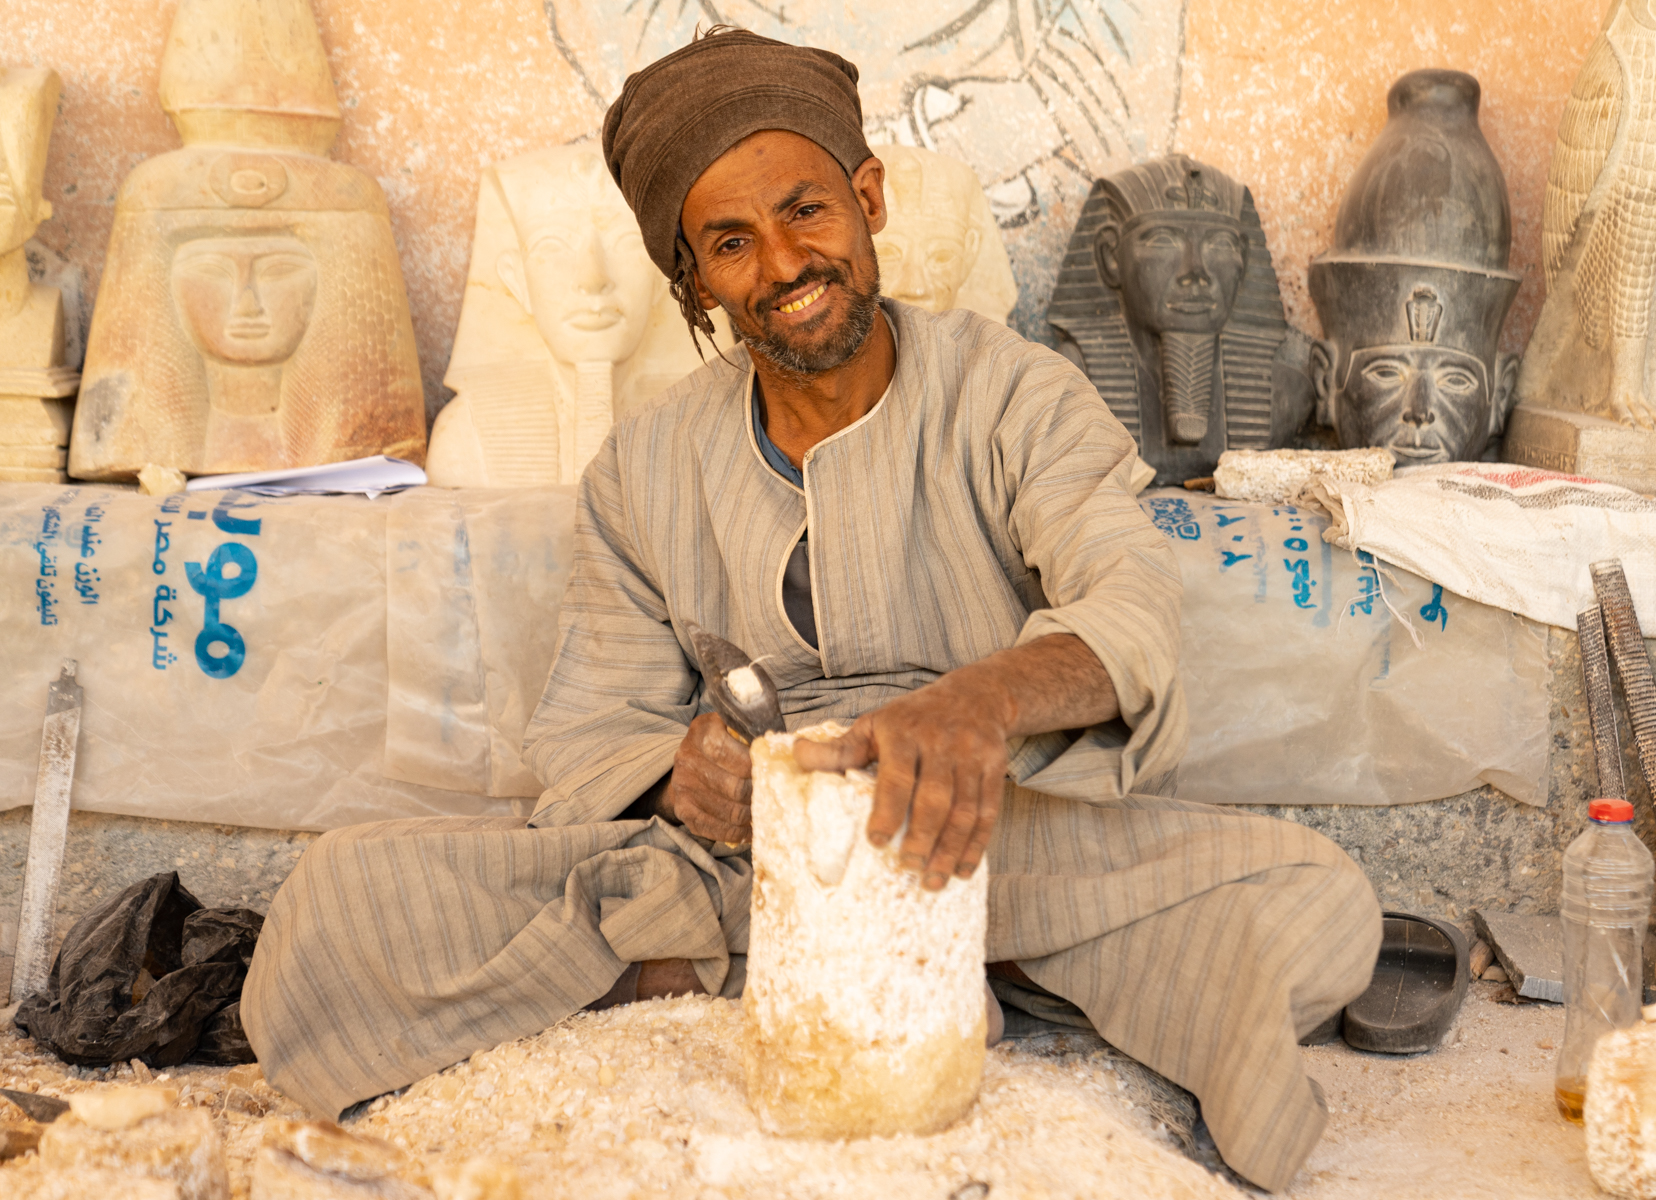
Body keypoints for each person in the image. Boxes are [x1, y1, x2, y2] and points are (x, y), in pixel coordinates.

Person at [241, 28, 1380, 1192]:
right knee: (337, 906)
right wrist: (675, 774)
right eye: (731, 243)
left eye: (806, 213)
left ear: (869, 199)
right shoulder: (646, 466)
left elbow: (1129, 604)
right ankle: (906, 975)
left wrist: (975, 708)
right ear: (693, 281)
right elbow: (586, 727)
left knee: (1315, 902)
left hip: (974, 836)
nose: (784, 263)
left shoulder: (1015, 394)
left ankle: (748, 970)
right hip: (742, 861)